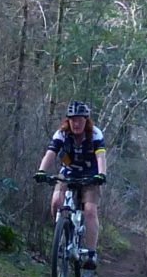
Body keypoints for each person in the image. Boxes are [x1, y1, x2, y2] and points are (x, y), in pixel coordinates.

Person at [37, 100, 106, 266]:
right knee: (55, 202)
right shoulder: (61, 134)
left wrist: (102, 174)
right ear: (68, 121)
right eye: (73, 120)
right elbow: (50, 153)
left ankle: (90, 253)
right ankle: (61, 236)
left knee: (89, 210)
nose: (76, 123)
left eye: (80, 120)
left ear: (86, 120)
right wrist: (41, 171)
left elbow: (101, 156)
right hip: (68, 172)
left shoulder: (95, 134)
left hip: (91, 174)